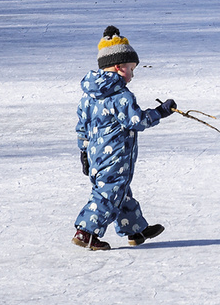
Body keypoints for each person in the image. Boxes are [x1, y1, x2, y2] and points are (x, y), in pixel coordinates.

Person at [73, 26, 175, 250]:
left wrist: (84, 151)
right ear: (119, 67)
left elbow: (82, 125)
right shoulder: (121, 96)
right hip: (116, 157)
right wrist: (160, 112)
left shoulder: (89, 96)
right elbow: (136, 121)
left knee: (121, 193)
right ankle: (85, 232)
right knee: (108, 195)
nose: (132, 75)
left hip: (96, 156)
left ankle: (135, 230)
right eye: (131, 69)